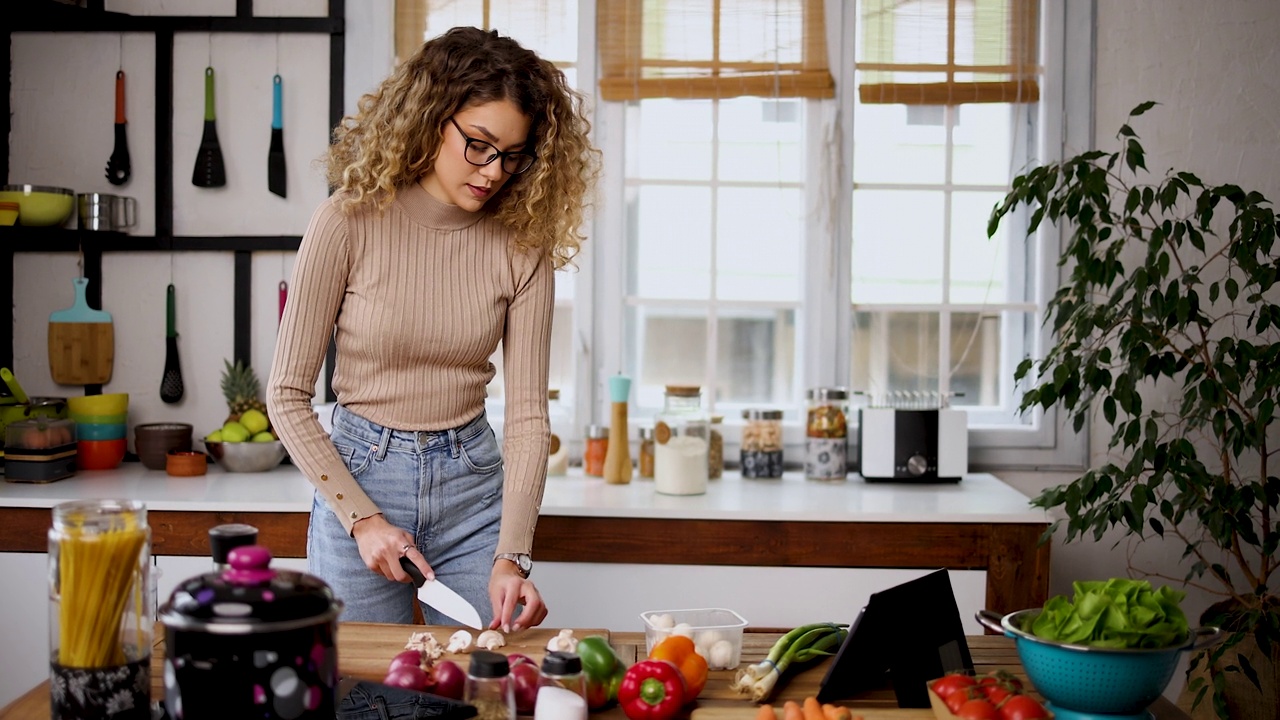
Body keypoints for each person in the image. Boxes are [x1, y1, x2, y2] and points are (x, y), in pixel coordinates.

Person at [267, 26, 597, 633]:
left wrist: (512, 555)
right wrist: (361, 520)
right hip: (361, 479)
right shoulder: (345, 222)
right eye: (479, 144)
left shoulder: (522, 247)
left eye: (513, 154)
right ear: (430, 118)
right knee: (362, 693)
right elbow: (286, 397)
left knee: (487, 690)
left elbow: (527, 418)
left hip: (473, 488)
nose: (494, 171)